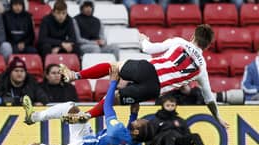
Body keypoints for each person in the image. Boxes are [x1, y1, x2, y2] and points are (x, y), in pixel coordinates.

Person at [60, 24, 229, 128]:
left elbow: (148, 49)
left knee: (114, 67)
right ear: (207, 47)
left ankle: (74, 75)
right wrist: (218, 117)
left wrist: (142, 39)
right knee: (116, 99)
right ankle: (87, 115)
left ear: (193, 36)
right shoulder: (202, 69)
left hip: (147, 69)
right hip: (154, 89)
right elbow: (209, 99)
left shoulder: (180, 42)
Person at [24, 66, 155, 145]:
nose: (138, 119)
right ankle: (33, 117)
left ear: (137, 131)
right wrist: (133, 113)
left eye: (140, 121)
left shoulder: (117, 131)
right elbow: (128, 134)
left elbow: (107, 105)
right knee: (72, 108)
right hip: (87, 140)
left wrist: (113, 83)